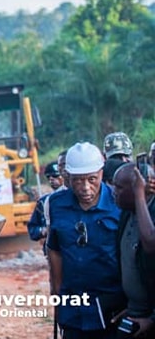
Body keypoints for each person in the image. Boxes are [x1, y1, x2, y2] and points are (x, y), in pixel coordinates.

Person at [46, 142, 124, 338]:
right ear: (67, 177)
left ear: (101, 172)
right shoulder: (56, 205)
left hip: (112, 307)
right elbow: (54, 249)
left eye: (92, 179)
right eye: (78, 181)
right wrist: (56, 295)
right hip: (73, 309)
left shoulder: (120, 204)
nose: (85, 187)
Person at [112, 162, 155, 338]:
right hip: (134, 314)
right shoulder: (126, 215)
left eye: (119, 188)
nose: (114, 191)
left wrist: (152, 319)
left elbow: (151, 243)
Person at [27, 161, 65, 245]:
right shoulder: (43, 202)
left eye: (55, 175)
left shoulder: (78, 197)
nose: (51, 179)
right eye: (48, 177)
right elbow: (32, 230)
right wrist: (43, 230)